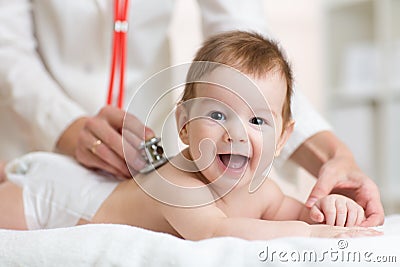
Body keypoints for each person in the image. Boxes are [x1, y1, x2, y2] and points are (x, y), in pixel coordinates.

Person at [0, 1, 384, 226]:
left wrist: (334, 192)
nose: (236, 131)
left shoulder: (261, 192)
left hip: (139, 148)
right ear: (184, 124)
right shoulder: (183, 188)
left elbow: (247, 58)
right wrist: (63, 125)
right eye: (219, 116)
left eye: (257, 121)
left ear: (283, 135)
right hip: (36, 141)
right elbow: (7, 47)